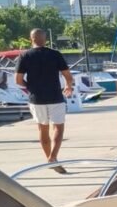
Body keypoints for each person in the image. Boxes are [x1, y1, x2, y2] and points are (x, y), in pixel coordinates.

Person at [15, 28, 74, 172]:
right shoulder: (55, 54)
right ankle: (53, 157)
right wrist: (68, 86)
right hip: (55, 96)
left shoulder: (24, 56)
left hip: (36, 98)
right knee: (58, 127)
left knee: (43, 128)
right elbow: (67, 75)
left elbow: (18, 80)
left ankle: (50, 159)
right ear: (45, 39)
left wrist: (30, 87)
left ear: (31, 39)